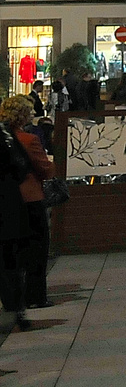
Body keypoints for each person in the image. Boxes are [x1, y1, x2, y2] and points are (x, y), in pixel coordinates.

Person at [0, 96, 53, 313]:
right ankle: (36, 296)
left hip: (9, 202)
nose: (32, 114)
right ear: (22, 115)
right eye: (29, 111)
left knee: (14, 252)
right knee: (38, 250)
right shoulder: (29, 139)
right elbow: (45, 169)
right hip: (31, 198)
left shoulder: (6, 139)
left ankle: (14, 297)